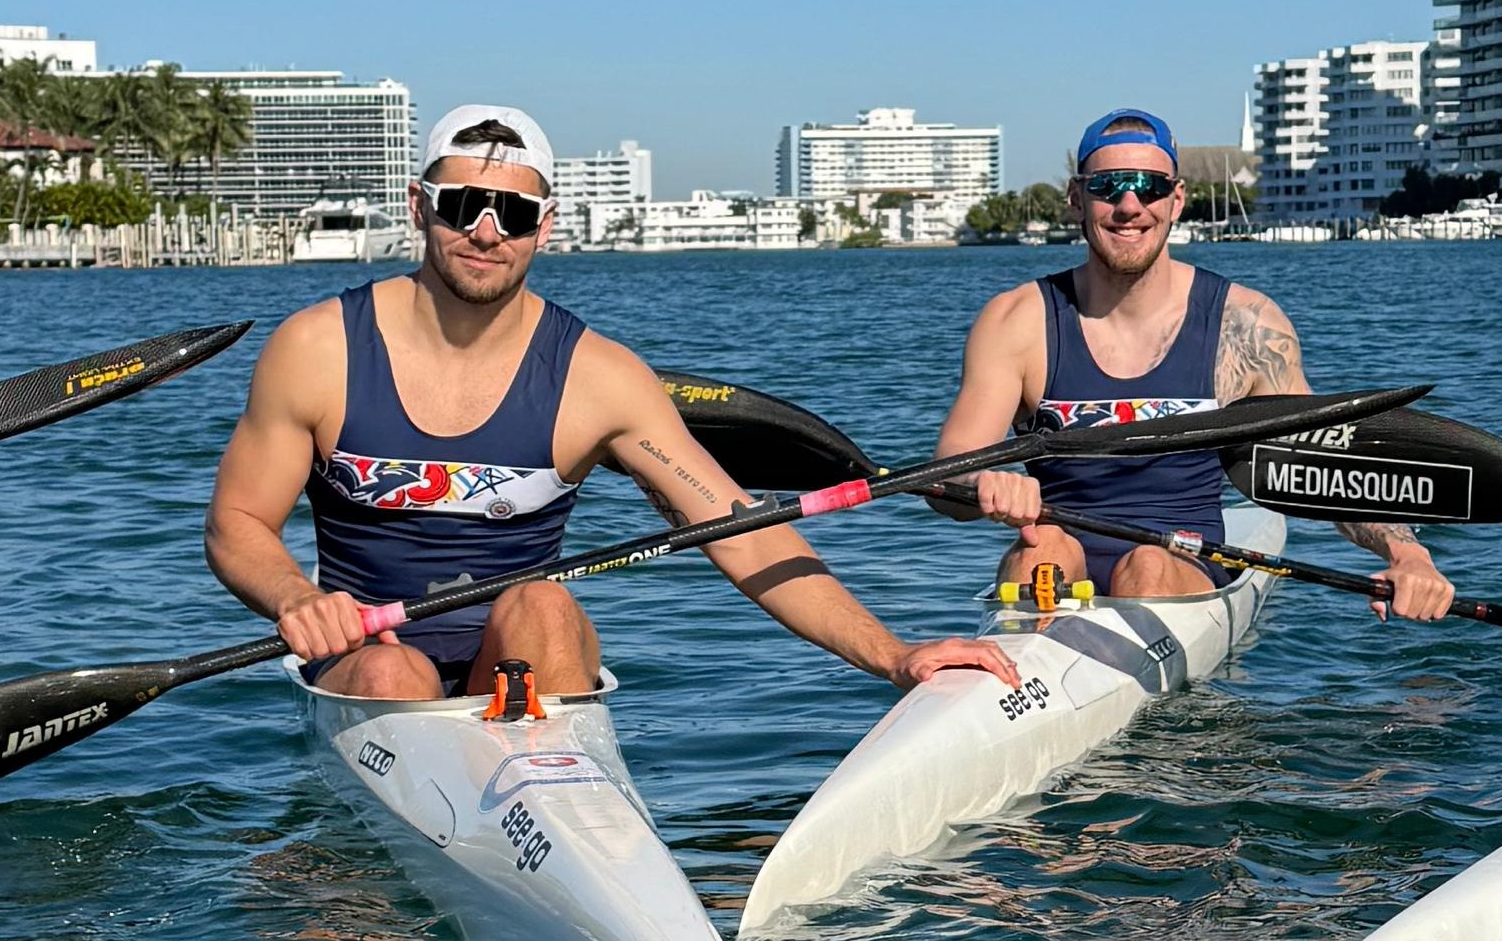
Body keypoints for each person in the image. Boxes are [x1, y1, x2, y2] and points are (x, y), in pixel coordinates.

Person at [208, 105, 1020, 699]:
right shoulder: (319, 350)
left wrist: (894, 653)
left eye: (516, 214)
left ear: (546, 227)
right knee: (393, 667)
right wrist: (298, 599)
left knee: (544, 605)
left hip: (526, 659)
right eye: (462, 206)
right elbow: (237, 523)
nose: (487, 232)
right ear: (421, 207)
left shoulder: (597, 378)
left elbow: (738, 530)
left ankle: (556, 806)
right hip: (367, 661)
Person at [930, 108, 1456, 618]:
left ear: (1177, 199)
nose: (1130, 205)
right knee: (1040, 549)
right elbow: (950, 471)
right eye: (1108, 186)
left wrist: (1406, 555)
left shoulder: (1247, 325)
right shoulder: (1015, 321)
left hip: (1181, 562)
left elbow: (1318, 470)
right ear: (1076, 198)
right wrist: (982, 485)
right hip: (1054, 555)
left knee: (1148, 566)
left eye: (1151, 186)